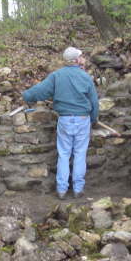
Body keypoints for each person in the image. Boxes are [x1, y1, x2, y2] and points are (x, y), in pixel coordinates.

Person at [22, 47, 99, 200]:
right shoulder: (85, 77)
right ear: (76, 60)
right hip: (83, 120)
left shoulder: (57, 76)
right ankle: (78, 189)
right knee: (79, 154)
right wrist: (94, 119)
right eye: (81, 56)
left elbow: (40, 90)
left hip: (64, 119)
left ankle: (62, 190)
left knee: (63, 154)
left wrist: (26, 95)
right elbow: (94, 102)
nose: (83, 58)